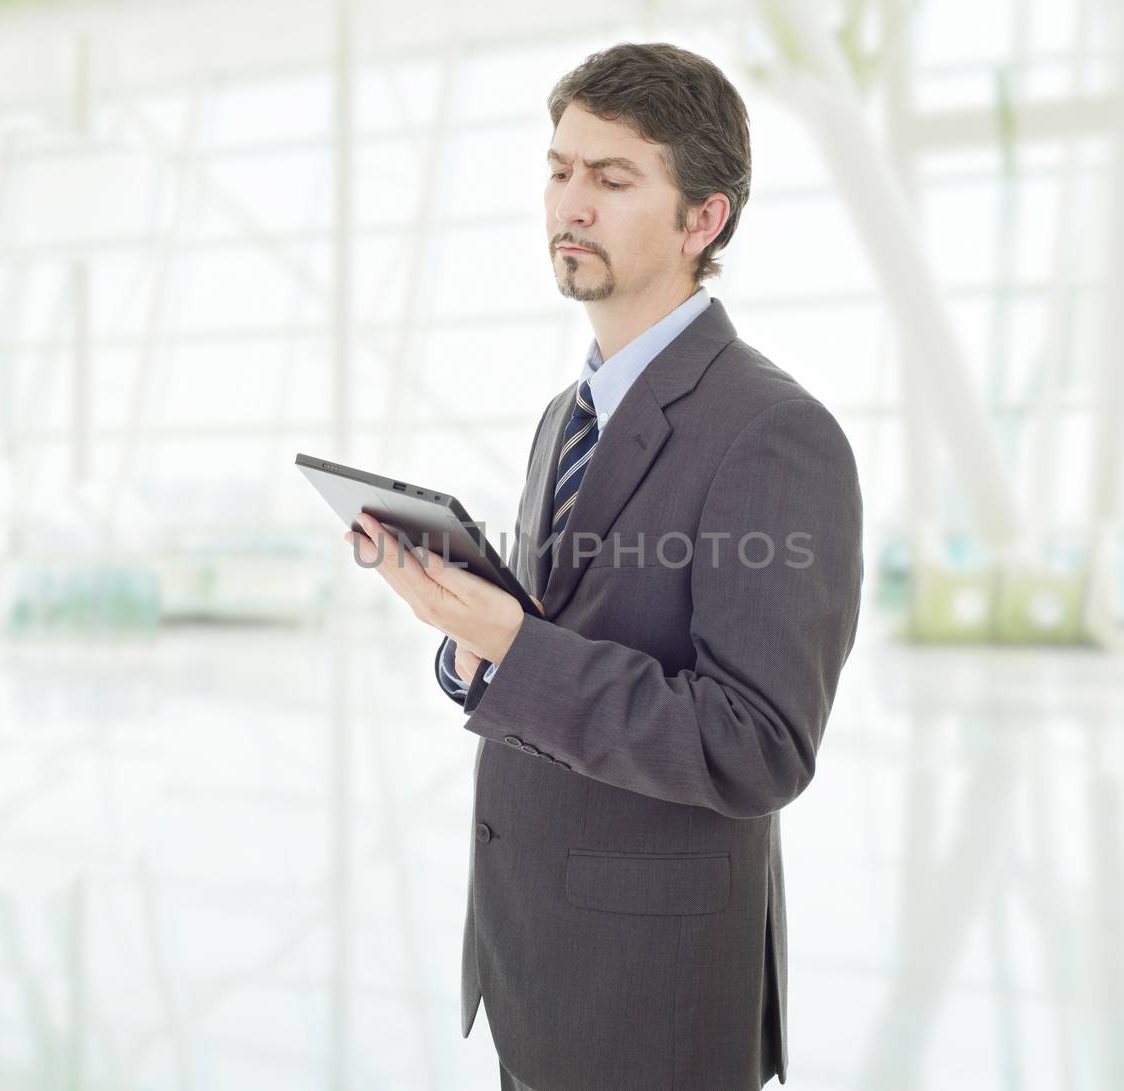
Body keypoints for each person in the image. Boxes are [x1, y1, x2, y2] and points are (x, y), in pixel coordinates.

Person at [343, 41, 863, 1091]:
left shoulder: (773, 432)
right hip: (537, 967)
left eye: (613, 178)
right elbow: (566, 643)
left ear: (702, 218)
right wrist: (470, 643)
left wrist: (513, 643)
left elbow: (756, 746)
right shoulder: (566, 416)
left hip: (651, 1000)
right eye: (558, 168)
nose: (569, 203)